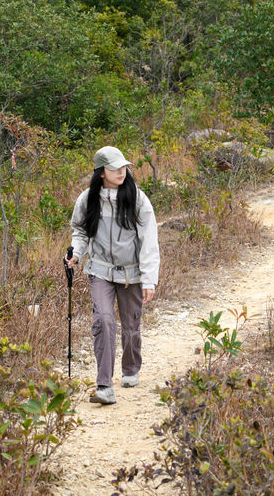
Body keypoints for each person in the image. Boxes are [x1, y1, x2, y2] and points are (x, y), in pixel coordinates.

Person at [66, 146, 160, 405]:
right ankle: (104, 385)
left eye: (124, 167)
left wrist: (149, 278)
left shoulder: (137, 199)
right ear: (101, 173)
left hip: (132, 273)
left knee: (131, 327)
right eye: (115, 168)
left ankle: (130, 369)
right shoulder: (87, 199)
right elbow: (81, 231)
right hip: (99, 271)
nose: (122, 171)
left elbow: (149, 241)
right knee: (104, 321)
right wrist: (76, 254)